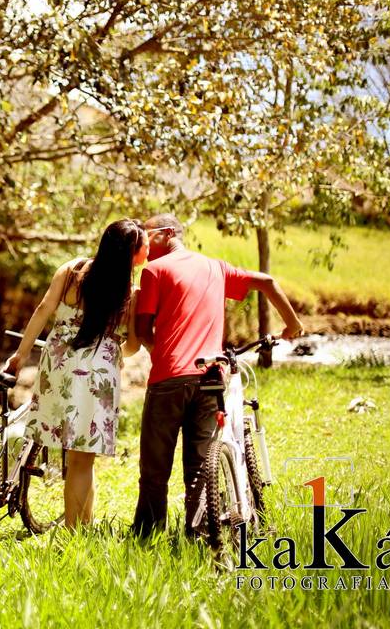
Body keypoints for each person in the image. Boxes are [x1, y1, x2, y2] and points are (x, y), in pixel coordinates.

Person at [130, 213, 305, 540]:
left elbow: (142, 331)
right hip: (212, 375)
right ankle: (199, 535)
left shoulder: (154, 271)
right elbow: (266, 282)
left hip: (169, 377)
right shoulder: (215, 267)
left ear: (167, 234)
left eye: (146, 234)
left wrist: (165, 355)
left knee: (154, 471)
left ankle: (147, 536)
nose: (142, 242)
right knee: (200, 468)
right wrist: (292, 325)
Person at [4, 219, 149, 528]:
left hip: (57, 365)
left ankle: (84, 525)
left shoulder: (72, 271)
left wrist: (20, 355)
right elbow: (133, 346)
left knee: (76, 458)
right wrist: (110, 351)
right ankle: (74, 533)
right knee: (83, 460)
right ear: (131, 255)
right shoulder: (130, 292)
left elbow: (43, 309)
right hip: (97, 375)